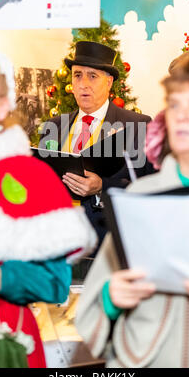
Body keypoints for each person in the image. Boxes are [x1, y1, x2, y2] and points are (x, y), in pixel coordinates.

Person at [76, 54, 189, 368]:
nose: (182, 117)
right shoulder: (140, 196)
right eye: (175, 105)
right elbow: (97, 297)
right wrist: (113, 298)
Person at [0, 47, 97, 368]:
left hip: (3, 344)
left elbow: (55, 284)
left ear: (2, 106)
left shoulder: (32, 176)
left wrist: (1, 277)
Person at [40, 41, 154, 248]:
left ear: (109, 83)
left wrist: (102, 187)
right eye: (77, 75)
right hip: (57, 239)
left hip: (109, 242)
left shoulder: (138, 126)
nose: (83, 83)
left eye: (92, 76)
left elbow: (151, 188)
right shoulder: (53, 126)